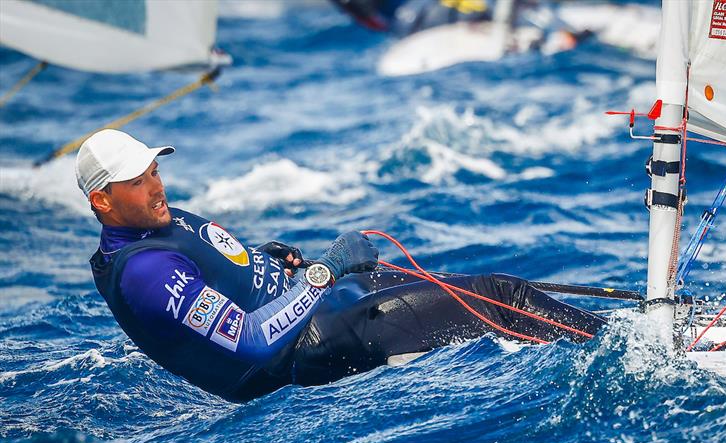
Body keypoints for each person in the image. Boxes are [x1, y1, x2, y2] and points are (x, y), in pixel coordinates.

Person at [81, 129, 604, 402]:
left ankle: (616, 331)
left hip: (308, 307)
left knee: (473, 292)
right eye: (138, 181)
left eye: (154, 171)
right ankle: (636, 351)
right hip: (300, 354)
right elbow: (254, 342)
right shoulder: (143, 273)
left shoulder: (153, 222)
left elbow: (212, 276)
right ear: (102, 201)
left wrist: (261, 259)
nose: (156, 186)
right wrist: (324, 270)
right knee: (500, 296)